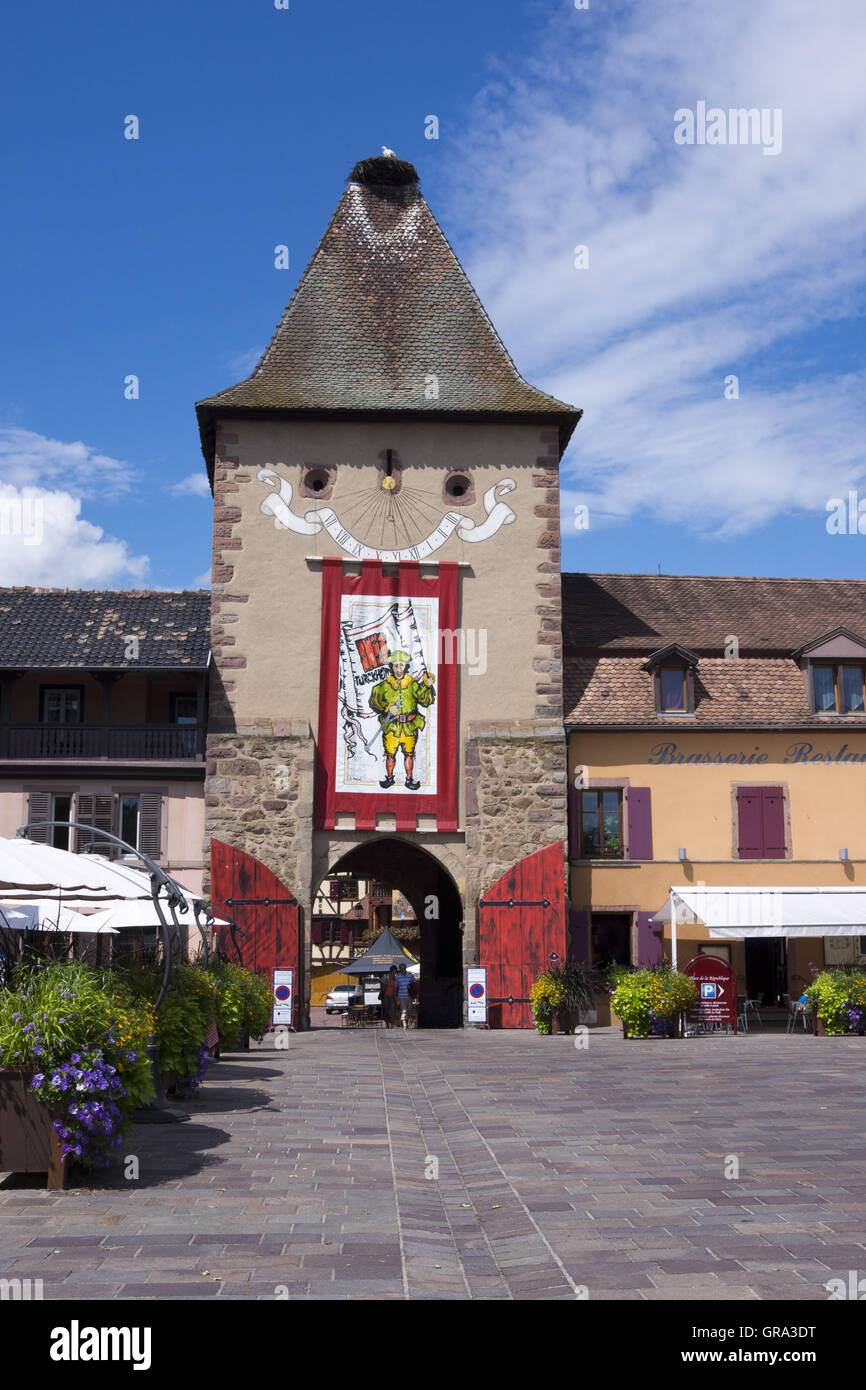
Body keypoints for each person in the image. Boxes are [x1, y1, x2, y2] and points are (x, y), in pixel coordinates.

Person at [395, 961, 413, 1028]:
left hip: (409, 996)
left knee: (409, 1010)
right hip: (401, 996)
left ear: (405, 968)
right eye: (401, 968)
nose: (402, 969)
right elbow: (396, 986)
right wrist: (396, 996)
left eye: (403, 968)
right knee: (404, 1010)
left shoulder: (410, 975)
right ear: (400, 969)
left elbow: (414, 984)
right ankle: (404, 1023)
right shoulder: (398, 976)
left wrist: (411, 986)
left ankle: (407, 1020)